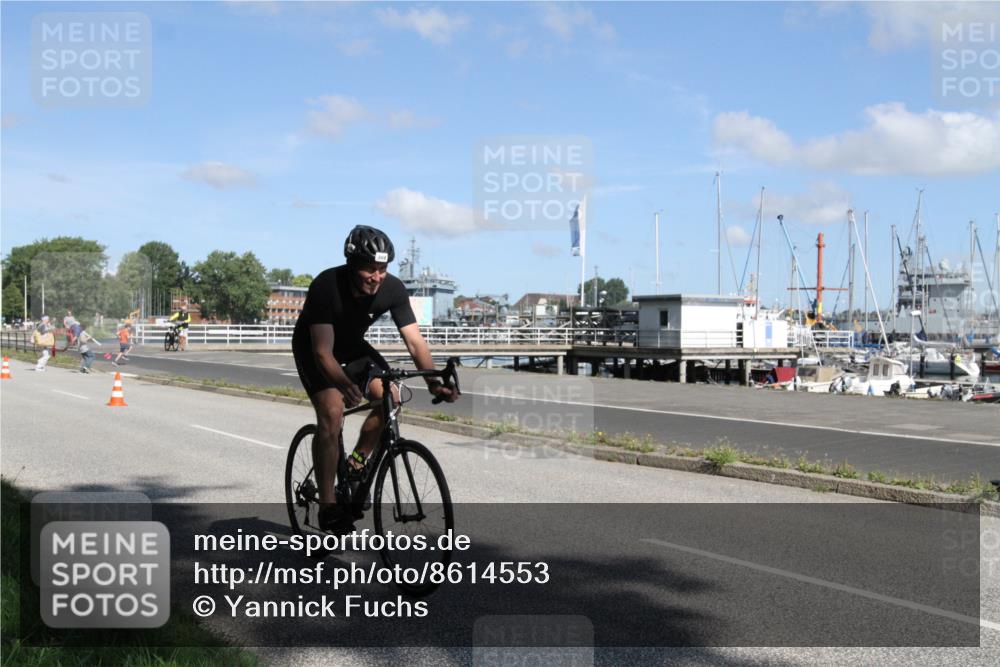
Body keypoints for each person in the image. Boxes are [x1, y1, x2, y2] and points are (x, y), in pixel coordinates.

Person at [292, 225, 457, 534]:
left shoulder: (393, 289)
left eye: (382, 269)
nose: (377, 276)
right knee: (331, 411)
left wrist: (434, 382)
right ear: (352, 264)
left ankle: (356, 462)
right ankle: (328, 507)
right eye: (370, 269)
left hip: (353, 349)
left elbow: (415, 343)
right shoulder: (327, 286)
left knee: (391, 398)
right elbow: (323, 353)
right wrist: (343, 384)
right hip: (315, 350)